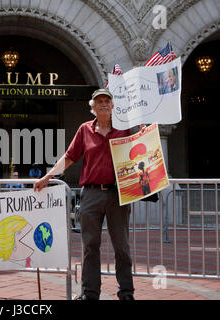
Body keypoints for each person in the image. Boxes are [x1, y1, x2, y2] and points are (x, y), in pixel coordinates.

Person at [34, 88, 135, 300]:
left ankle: (126, 292)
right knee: (90, 246)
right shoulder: (84, 129)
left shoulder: (124, 130)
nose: (104, 104)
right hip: (91, 194)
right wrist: (48, 176)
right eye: (99, 101)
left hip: (118, 194)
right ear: (93, 107)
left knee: (122, 247)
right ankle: (90, 293)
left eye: (107, 100)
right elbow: (69, 156)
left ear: (113, 105)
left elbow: (139, 152)